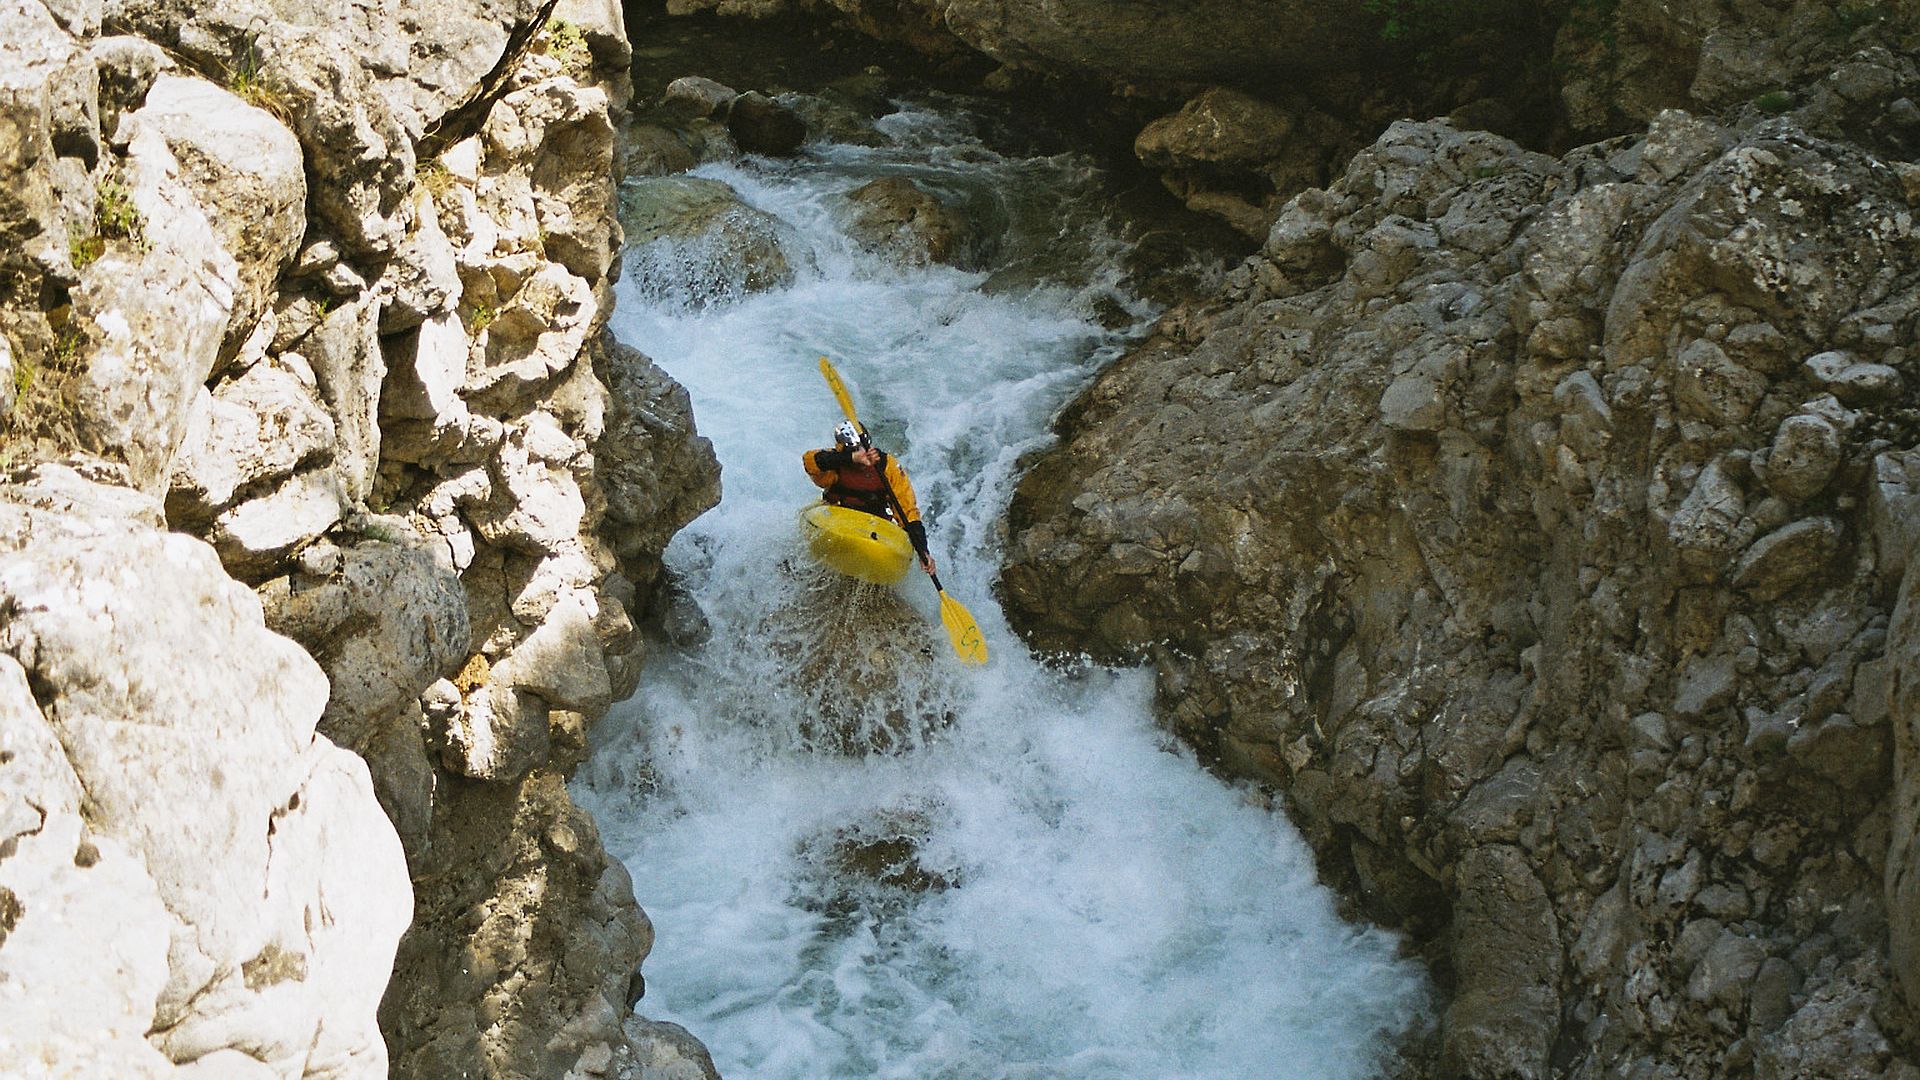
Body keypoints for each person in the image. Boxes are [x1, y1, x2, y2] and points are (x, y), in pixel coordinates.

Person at [803, 420, 936, 575]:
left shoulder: (887, 466)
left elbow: (908, 511)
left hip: (874, 522)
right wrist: (851, 458)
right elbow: (810, 462)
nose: (862, 457)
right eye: (854, 451)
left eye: (862, 449)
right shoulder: (833, 462)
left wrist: (923, 550)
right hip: (838, 516)